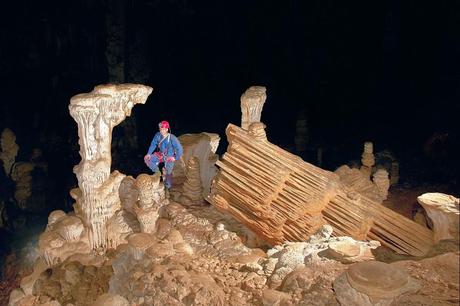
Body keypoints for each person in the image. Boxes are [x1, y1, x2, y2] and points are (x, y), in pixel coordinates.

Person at [144, 120, 183, 189]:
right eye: (161, 129)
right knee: (147, 159)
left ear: (167, 129)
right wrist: (149, 154)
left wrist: (175, 158)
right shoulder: (158, 135)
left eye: (163, 129)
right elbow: (153, 144)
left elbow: (179, 149)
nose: (161, 130)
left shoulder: (172, 138)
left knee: (169, 172)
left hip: (169, 157)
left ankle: (168, 187)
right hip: (160, 155)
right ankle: (157, 173)